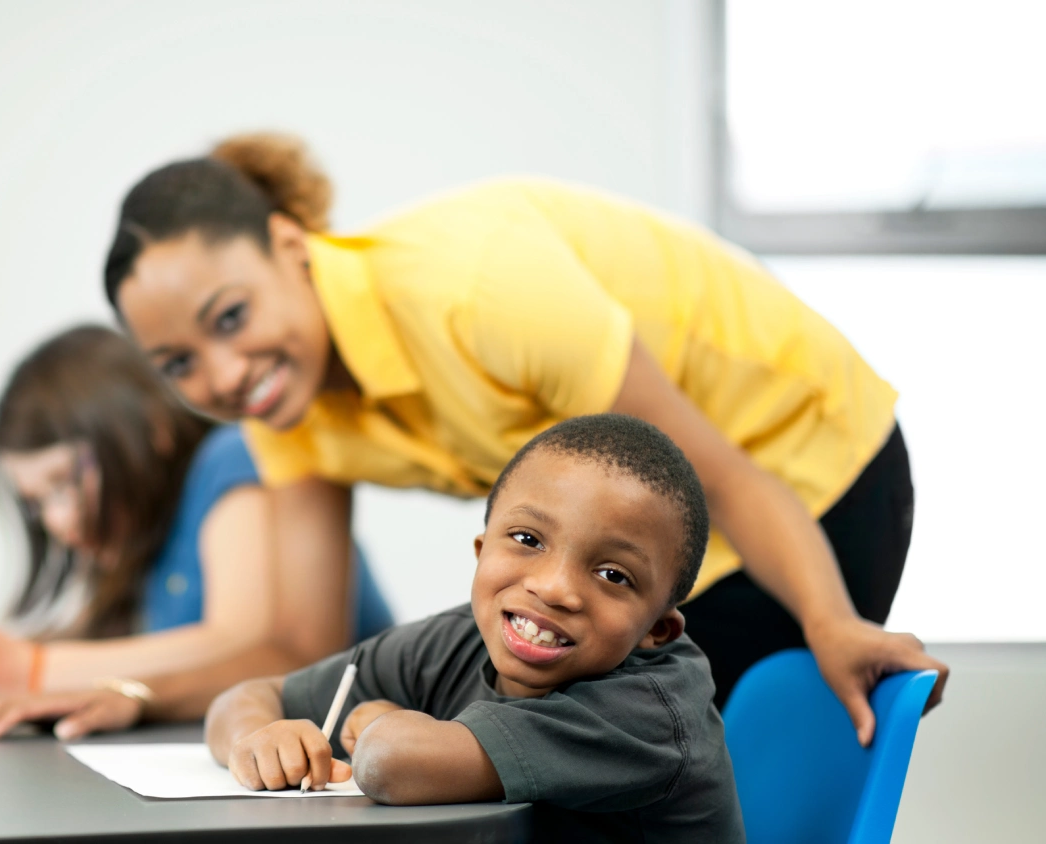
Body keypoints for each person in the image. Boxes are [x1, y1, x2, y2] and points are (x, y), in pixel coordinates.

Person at [100, 132, 946, 747]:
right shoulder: (288, 413)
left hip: (802, 467)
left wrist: (831, 619)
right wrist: (131, 693)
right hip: (643, 531)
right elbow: (309, 648)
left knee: (618, 760)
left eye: (231, 318)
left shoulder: (477, 289)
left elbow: (720, 475)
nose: (223, 373)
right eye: (179, 364)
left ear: (291, 246)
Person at [208, 415, 743, 842]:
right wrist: (256, 743)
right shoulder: (457, 638)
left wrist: (381, 720)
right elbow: (243, 699)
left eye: (613, 575)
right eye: (529, 540)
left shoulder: (649, 713)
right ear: (483, 552)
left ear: (658, 630)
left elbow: (389, 763)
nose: (554, 588)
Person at [0, 326, 391, 736]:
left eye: (65, 483)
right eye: (36, 504)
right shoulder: (138, 540)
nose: (56, 520)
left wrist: (31, 668)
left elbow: (246, 637)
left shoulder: (231, 456)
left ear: (152, 430)